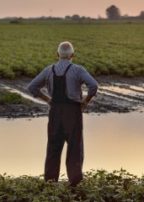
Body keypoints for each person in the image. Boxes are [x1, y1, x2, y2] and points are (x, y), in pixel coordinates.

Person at [27, 41, 98, 186]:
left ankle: (50, 184)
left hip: (55, 113)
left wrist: (47, 99)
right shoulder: (78, 70)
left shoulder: (49, 70)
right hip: (73, 112)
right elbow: (93, 85)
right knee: (74, 149)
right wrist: (86, 101)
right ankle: (75, 185)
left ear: (57, 54)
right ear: (73, 55)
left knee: (53, 148)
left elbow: (32, 86)